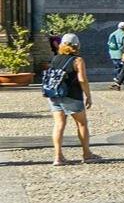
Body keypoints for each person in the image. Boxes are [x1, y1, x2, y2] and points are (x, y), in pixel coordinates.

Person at [42, 32, 98, 165]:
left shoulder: (55, 58)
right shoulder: (78, 60)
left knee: (59, 124)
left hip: (54, 95)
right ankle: (86, 154)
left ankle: (58, 156)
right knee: (82, 123)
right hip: (72, 95)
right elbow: (82, 79)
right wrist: (88, 96)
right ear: (77, 45)